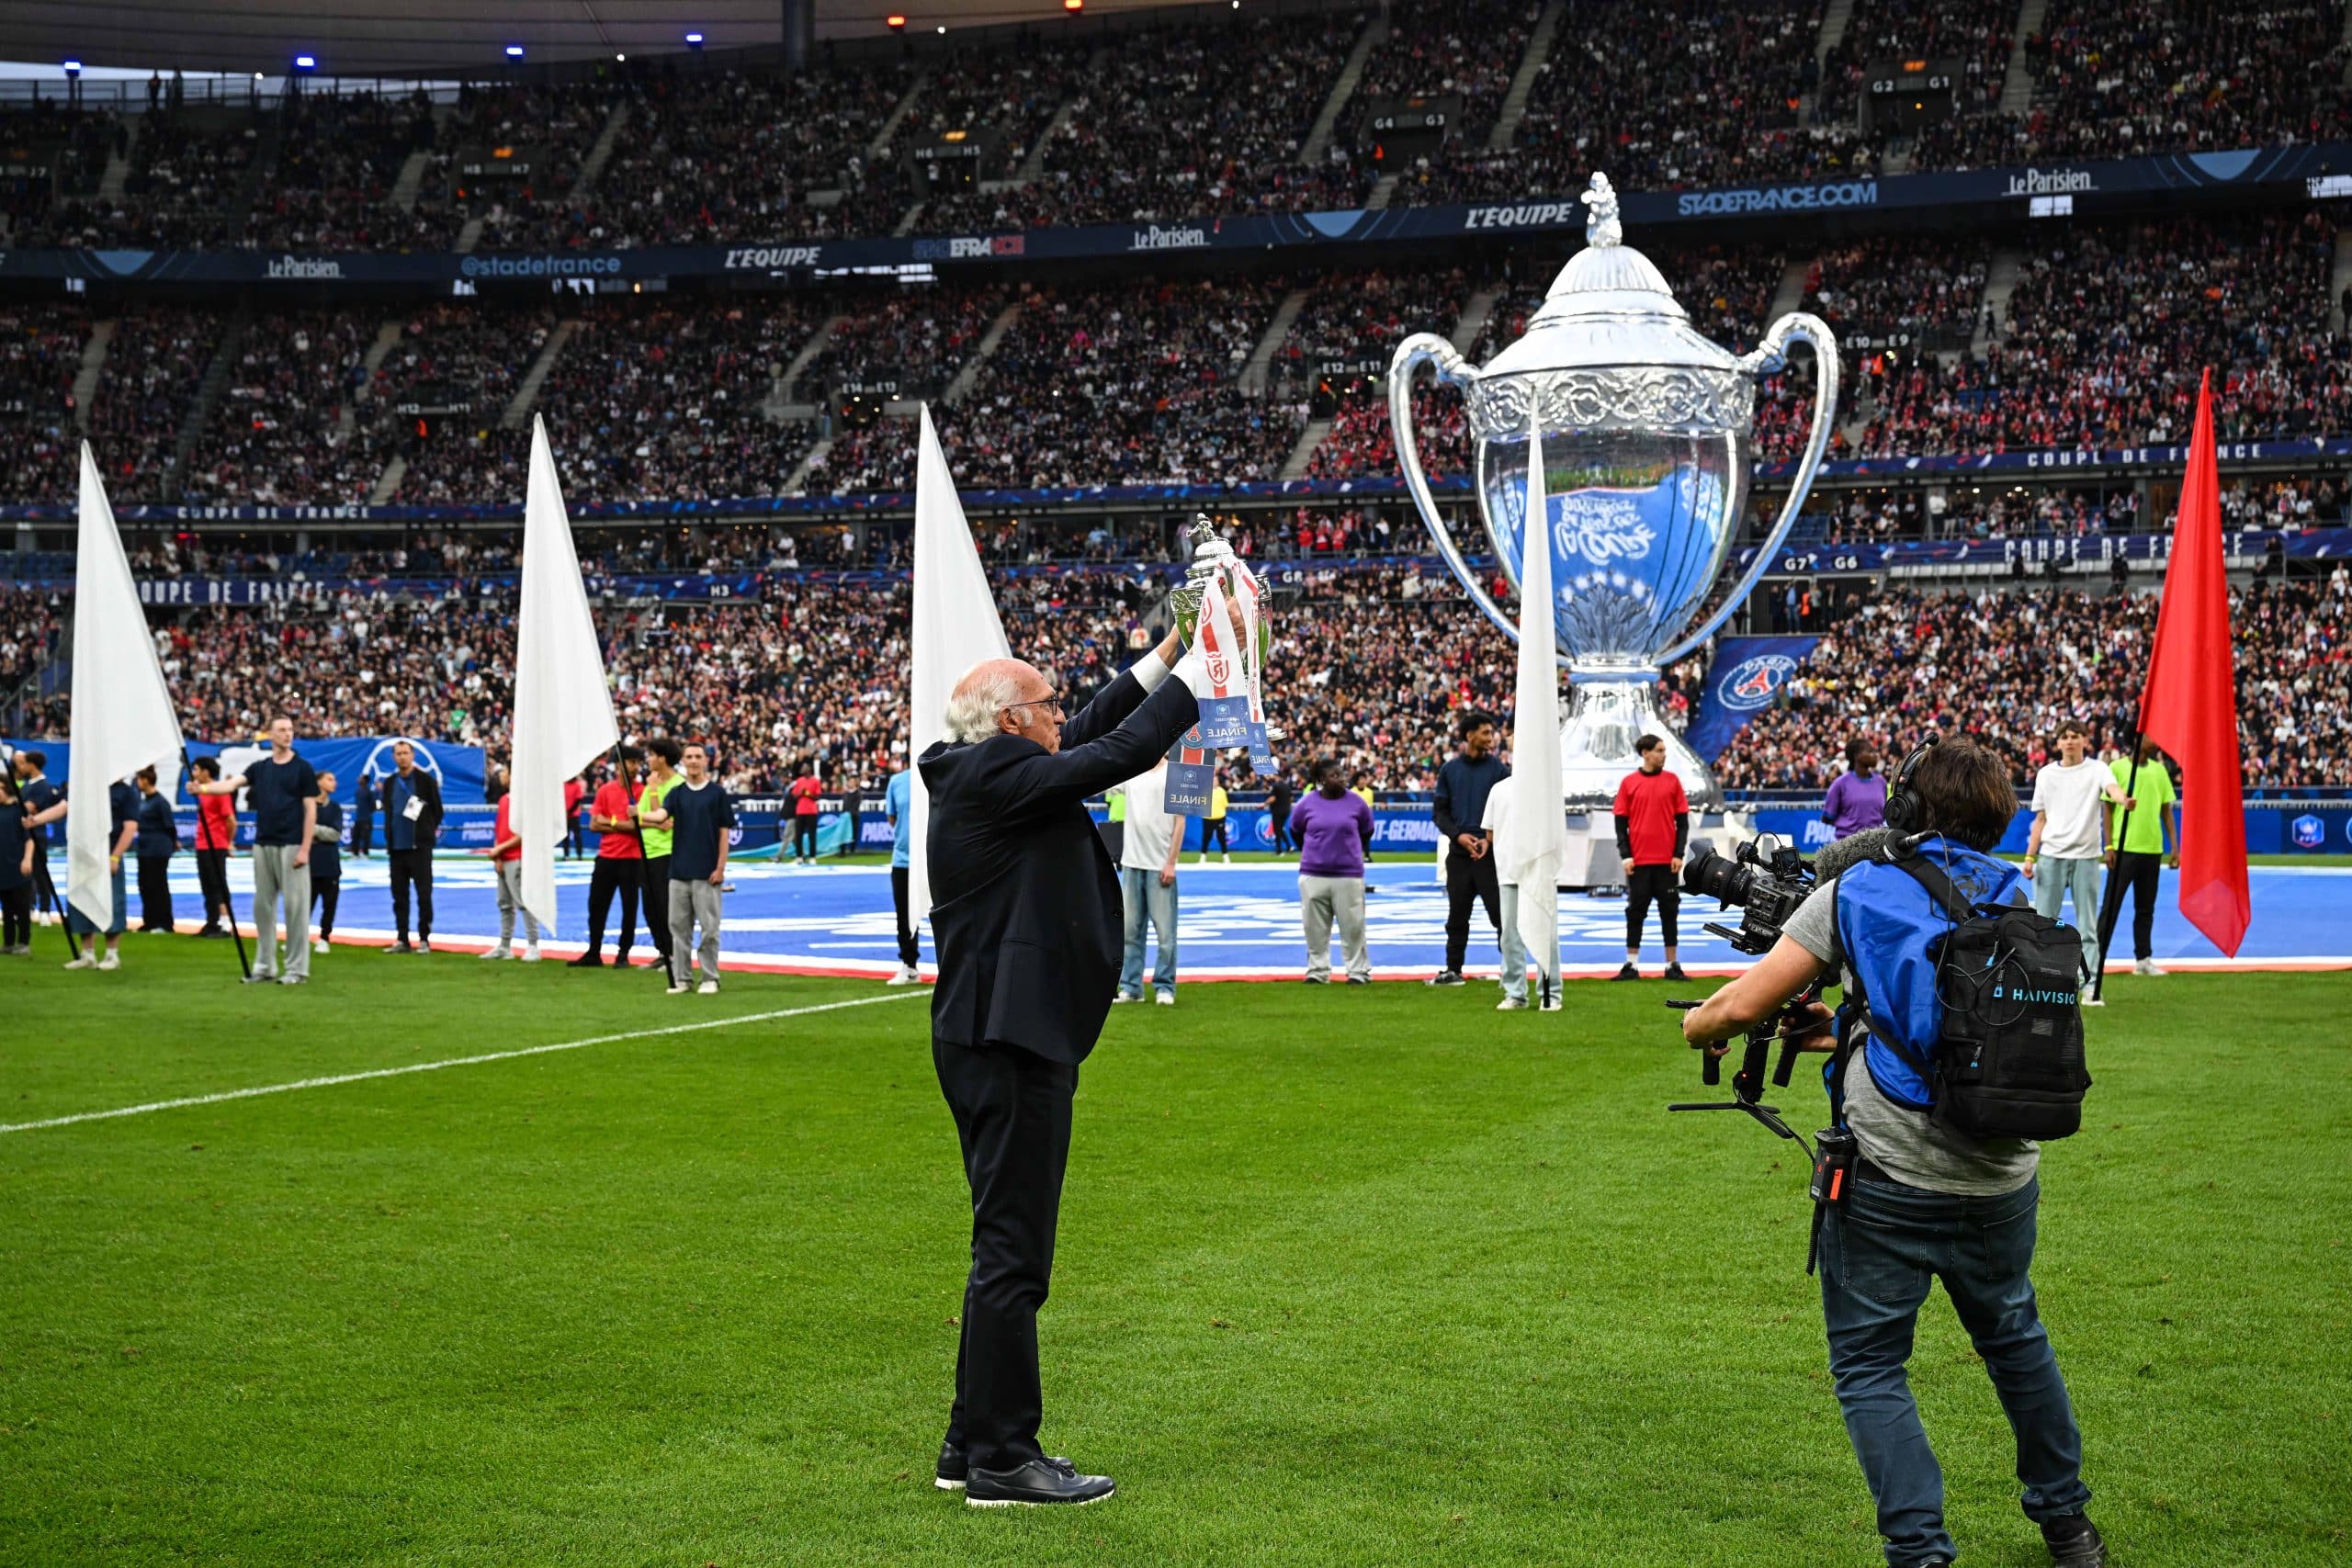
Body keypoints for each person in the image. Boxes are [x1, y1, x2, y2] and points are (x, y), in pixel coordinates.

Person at [1681, 737, 2107, 1568]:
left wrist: (1697, 1022)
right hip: (2003, 1170)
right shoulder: (2018, 891)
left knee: (1872, 1366)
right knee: (2015, 1339)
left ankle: (1920, 1551)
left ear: (1906, 808)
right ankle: (2069, 1526)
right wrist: (1845, 1025)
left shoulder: (1858, 888)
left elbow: (1740, 1006)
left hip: (1885, 1174)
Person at [921, 616, 1212, 1506]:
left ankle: (970, 1442)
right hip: (1012, 1038)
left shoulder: (985, 768)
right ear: (1010, 722)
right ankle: (1005, 1460)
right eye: (1044, 703)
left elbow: (1086, 734)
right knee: (1014, 1255)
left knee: (997, 1246)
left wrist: (1166, 654)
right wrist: (1210, 682)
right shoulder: (997, 775)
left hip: (991, 1033)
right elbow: (1109, 753)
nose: (1060, 713)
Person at [197, 717, 319, 985]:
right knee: (262, 907)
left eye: (290, 730)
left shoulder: (302, 769)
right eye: (282, 731)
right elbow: (230, 785)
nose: (287, 735)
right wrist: (202, 788)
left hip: (292, 843)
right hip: (264, 842)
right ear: (271, 735)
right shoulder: (260, 768)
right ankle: (264, 966)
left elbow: (311, 809)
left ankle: (297, 970)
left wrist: (305, 848)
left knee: (295, 908)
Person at [2023, 720, 2132, 1005]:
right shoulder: (2046, 774)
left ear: (2085, 740)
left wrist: (2123, 800)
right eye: (2065, 737)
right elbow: (2041, 819)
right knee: (2044, 923)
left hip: (2085, 858)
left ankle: (2090, 985)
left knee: (2087, 927)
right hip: (2051, 856)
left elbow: (2112, 789)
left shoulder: (2098, 769)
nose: (2070, 741)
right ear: (2057, 743)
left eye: (2075, 736)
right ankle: (2042, 980)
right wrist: (2029, 857)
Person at [1430, 711, 1508, 986]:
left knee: (1501, 916)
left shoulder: (1499, 770)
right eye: (1485, 732)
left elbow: (1508, 810)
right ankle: (1453, 970)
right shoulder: (1449, 770)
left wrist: (1490, 838)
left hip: (1491, 857)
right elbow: (1439, 813)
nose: (1491, 738)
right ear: (1469, 735)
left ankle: (1510, 970)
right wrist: (1459, 836)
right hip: (1460, 856)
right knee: (1457, 916)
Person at [651, 741, 733, 994]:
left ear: (706, 760)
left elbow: (724, 833)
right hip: (679, 871)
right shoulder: (677, 793)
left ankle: (710, 977)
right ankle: (682, 979)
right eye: (689, 756)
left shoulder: (716, 794)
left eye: (698, 756)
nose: (694, 761)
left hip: (706, 872)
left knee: (709, 929)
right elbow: (660, 816)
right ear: (683, 761)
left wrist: (720, 867)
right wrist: (639, 813)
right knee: (678, 928)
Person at [1483, 757, 1560, 1011]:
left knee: (1543, 935)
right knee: (1511, 936)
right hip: (1509, 873)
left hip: (1538, 873)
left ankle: (1550, 994)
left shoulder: (1546, 790)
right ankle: (1516, 993)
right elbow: (1491, 832)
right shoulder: (1499, 789)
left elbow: (1491, 834)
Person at [1291, 756, 1374, 984]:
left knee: (1353, 926)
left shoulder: (1357, 803)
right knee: (1314, 928)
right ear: (1321, 780)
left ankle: (1358, 971)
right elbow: (1296, 830)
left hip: (1348, 874)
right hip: (1313, 874)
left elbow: (1367, 831)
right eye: (1334, 775)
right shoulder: (1306, 804)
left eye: (1342, 774)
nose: (1341, 779)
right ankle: (1318, 970)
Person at [1613, 734, 1689, 982]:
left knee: (1670, 912)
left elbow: (1683, 822)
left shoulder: (1673, 781)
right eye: (1659, 750)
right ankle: (1631, 965)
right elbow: (1620, 824)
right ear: (1645, 753)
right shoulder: (1629, 783)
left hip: (1667, 863)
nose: (1663, 754)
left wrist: (1678, 853)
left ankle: (1672, 965)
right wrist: (1626, 856)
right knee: (1635, 912)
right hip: (1639, 863)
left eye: (1664, 750)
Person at [2104, 739, 2178, 978]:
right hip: (2124, 849)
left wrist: (2175, 847)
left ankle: (2143, 959)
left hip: (2152, 849)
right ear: (2138, 739)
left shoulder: (2160, 770)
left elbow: (2166, 810)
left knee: (2146, 908)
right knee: (2110, 907)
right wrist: (2108, 845)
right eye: (2151, 737)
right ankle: (2096, 959)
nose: (2157, 741)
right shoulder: (2117, 768)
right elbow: (2107, 808)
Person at [1113, 756, 1182, 1006]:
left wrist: (1171, 862)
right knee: (1130, 931)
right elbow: (1103, 780)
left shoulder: (1175, 773)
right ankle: (1131, 986)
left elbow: (1180, 822)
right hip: (1132, 862)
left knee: (1165, 934)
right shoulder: (1132, 770)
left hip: (1159, 863)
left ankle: (1165, 986)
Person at [571, 749, 644, 967]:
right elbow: (594, 824)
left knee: (629, 907)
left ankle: (623, 953)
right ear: (619, 765)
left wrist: (610, 822)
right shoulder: (606, 790)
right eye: (631, 762)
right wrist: (620, 824)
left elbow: (636, 826)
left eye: (637, 762)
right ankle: (594, 951)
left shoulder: (642, 791)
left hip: (631, 857)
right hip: (607, 856)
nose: (635, 766)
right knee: (596, 905)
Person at [62, 772, 140, 971]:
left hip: (107, 853)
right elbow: (64, 807)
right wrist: (36, 820)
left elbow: (130, 827)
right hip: (83, 853)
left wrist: (116, 856)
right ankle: (87, 953)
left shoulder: (126, 792)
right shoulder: (88, 790)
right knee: (82, 899)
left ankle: (112, 954)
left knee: (112, 902)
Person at [380, 740, 444, 953]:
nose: (402, 757)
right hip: (397, 848)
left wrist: (425, 831)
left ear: (413, 755)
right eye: (398, 754)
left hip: (420, 848)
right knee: (399, 896)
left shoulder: (426, 781)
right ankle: (402, 938)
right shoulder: (389, 783)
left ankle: (424, 938)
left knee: (424, 894)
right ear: (393, 757)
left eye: (405, 753)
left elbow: (437, 811)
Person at [636, 738, 684, 981]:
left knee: (667, 907)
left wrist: (653, 791)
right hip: (648, 851)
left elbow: (663, 822)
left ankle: (675, 954)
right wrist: (648, 816)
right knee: (650, 907)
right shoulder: (651, 784)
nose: (649, 759)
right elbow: (640, 819)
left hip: (667, 852)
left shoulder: (677, 785)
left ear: (662, 758)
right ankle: (663, 951)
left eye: (652, 755)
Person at [481, 787, 543, 962]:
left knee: (524, 902)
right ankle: (505, 945)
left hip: (517, 857)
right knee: (505, 904)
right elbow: (499, 828)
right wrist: (498, 855)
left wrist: (499, 849)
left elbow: (524, 833)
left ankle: (533, 945)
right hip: (505, 856)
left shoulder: (526, 801)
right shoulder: (504, 799)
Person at [190, 756, 236, 939]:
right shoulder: (201, 792)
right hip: (202, 843)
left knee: (218, 884)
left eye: (196, 769)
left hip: (215, 844)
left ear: (206, 772)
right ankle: (212, 922)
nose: (194, 773)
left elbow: (231, 820)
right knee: (207, 884)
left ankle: (225, 923)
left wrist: (227, 842)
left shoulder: (219, 792)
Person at [15, 750, 62, 925]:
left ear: (31, 765)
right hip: (23, 834)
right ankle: (30, 906)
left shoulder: (42, 785)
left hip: (37, 835)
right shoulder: (28, 784)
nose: (22, 767)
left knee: (40, 873)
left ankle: (44, 910)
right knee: (26, 874)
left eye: (24, 763)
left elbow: (28, 807)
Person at [885, 765, 919, 984]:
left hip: (932, 856)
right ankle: (910, 965)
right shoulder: (896, 781)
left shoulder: (936, 772)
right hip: (903, 860)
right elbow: (892, 817)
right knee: (904, 915)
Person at [133, 766, 177, 933]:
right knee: (145, 885)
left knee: (158, 885)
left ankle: (165, 923)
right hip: (144, 848)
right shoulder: (145, 801)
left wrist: (171, 845)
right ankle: (149, 920)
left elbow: (170, 826)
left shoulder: (160, 802)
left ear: (146, 780)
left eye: (139, 779)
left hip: (158, 848)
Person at [1824, 739, 1888, 840]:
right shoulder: (1840, 784)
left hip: (1876, 844)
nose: (1875, 755)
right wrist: (1849, 827)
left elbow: (1883, 815)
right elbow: (1827, 817)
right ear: (1856, 756)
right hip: (1847, 844)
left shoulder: (1881, 782)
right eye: (1870, 752)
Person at [309, 772, 344, 953]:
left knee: (329, 904)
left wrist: (310, 828)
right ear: (318, 782)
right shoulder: (306, 805)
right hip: (308, 863)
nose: (334, 782)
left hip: (329, 864)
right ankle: (299, 937)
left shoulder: (335, 808)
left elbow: (335, 834)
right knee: (304, 905)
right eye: (329, 779)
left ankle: (324, 937)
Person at [0, 771, 31, 954]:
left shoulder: (19, 809)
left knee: (21, 906)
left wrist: (27, 859)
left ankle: (24, 942)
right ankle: (9, 942)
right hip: (2, 865)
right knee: (7, 907)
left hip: (18, 864)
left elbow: (29, 838)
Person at [787, 762, 823, 865]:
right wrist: (801, 793)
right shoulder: (799, 781)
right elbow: (794, 796)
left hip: (811, 811)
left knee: (812, 835)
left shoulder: (815, 781)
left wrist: (807, 793)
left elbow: (817, 797)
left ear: (809, 769)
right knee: (799, 835)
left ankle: (812, 857)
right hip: (800, 811)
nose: (801, 769)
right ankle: (799, 857)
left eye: (804, 767)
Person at [1196, 769, 1231, 863]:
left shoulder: (1222, 791)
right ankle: (1203, 857)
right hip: (1208, 818)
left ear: (1218, 782)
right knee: (1206, 838)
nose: (1214, 782)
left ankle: (1226, 857)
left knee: (1222, 838)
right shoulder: (1204, 791)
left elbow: (1225, 804)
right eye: (1212, 780)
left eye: (1216, 780)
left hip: (1220, 818)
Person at [1266, 769, 1296, 856]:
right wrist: (1286, 804)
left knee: (1277, 829)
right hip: (1286, 810)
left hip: (1277, 810)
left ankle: (1279, 850)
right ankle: (1289, 847)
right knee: (1280, 829)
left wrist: (1264, 804)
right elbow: (1291, 798)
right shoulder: (1287, 786)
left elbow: (1273, 798)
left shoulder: (1276, 786)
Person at [562, 773, 587, 859]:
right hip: (565, 815)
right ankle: (566, 855)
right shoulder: (563, 785)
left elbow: (578, 800)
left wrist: (569, 811)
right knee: (565, 836)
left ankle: (579, 854)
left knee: (577, 836)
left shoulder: (577, 785)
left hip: (574, 815)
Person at [352, 768, 375, 858]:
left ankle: (365, 853)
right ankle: (355, 853)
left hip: (366, 818)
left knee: (366, 837)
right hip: (358, 818)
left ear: (364, 780)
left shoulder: (369, 791)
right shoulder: (358, 791)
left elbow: (373, 805)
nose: (358, 779)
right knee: (355, 835)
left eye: (360, 778)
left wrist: (367, 813)